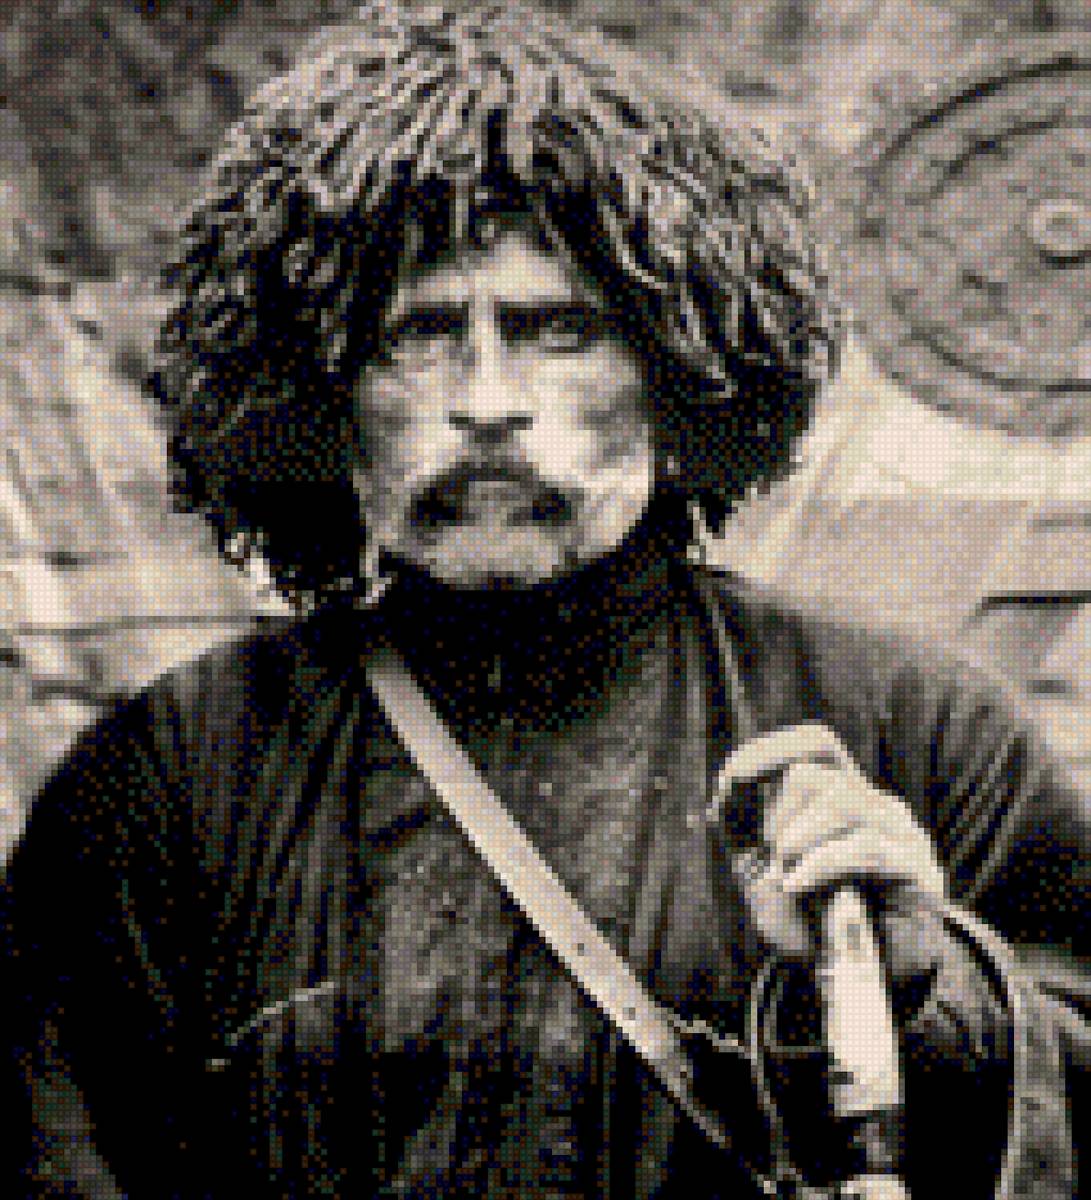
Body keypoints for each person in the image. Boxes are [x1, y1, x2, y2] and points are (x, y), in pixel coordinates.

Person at [3, 2, 1088, 1196]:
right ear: (324, 395)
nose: (486, 402)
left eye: (558, 330)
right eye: (418, 335)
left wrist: (931, 991)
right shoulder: (167, 781)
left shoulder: (916, 736)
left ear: (679, 367)